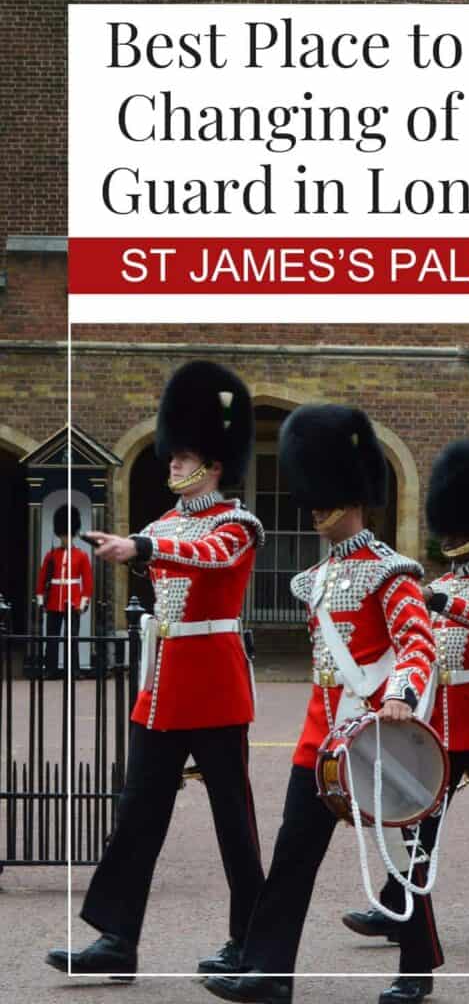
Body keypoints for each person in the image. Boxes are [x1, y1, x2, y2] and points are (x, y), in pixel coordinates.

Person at [203, 403, 442, 1004]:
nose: (313, 509)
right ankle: (269, 972)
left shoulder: (391, 572)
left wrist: (401, 698)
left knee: (402, 855)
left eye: (324, 497)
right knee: (292, 859)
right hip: (322, 736)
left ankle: (417, 966)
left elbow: (418, 644)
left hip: (378, 732)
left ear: (353, 498)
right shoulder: (316, 579)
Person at [45, 360, 265, 979]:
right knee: (137, 816)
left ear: (213, 465)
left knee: (234, 827)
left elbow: (209, 556)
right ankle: (118, 940)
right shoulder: (166, 521)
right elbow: (167, 545)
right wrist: (139, 544)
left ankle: (250, 939)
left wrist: (139, 548)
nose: (170, 463)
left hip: (216, 687)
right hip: (164, 688)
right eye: (172, 455)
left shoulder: (237, 523)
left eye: (182, 456)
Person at [343, 440, 469, 947]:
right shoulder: (436, 585)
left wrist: (438, 598)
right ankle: (397, 902)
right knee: (417, 814)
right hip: (441, 718)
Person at [36, 504, 92, 678]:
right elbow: (42, 579)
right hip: (53, 602)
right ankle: (50, 669)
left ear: (72, 534)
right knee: (51, 639)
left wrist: (82, 604)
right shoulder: (51, 555)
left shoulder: (81, 555)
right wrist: (40, 601)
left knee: (71, 639)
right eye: (62, 535)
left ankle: (73, 670)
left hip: (73, 602)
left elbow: (88, 583)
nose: (65, 538)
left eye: (67, 535)